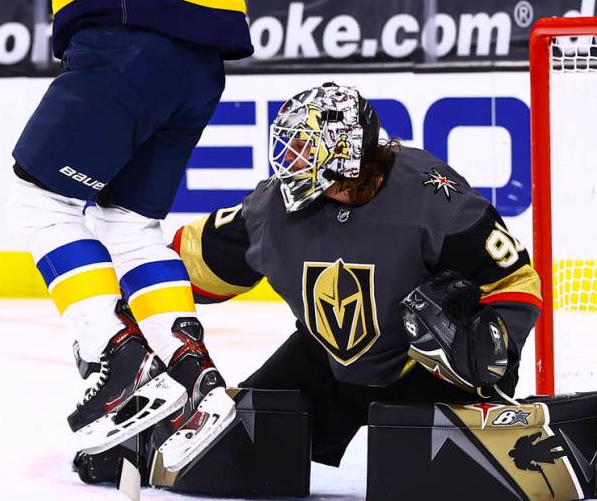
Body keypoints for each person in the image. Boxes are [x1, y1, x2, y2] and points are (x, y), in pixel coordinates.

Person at [0, 0, 253, 470]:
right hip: (199, 50)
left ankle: (118, 356)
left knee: (38, 203)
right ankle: (196, 380)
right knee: (129, 225)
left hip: (128, 21)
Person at [172, 83, 542, 466]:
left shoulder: (435, 197)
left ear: (346, 153)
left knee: (421, 480)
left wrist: (486, 350)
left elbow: (515, 282)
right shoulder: (273, 209)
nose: (294, 161)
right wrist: (128, 294)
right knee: (231, 451)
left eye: (305, 149)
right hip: (329, 357)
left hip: (427, 366)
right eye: (292, 149)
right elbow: (190, 261)